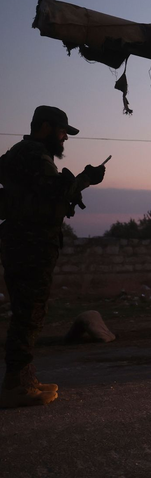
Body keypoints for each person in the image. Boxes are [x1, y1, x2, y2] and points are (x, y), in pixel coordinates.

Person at [0, 106, 105, 408]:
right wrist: (86, 178)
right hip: (30, 242)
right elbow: (52, 193)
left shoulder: (19, 153)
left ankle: (24, 377)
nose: (64, 139)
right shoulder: (34, 154)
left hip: (23, 240)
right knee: (29, 313)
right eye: (62, 132)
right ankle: (16, 385)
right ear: (45, 128)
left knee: (28, 310)